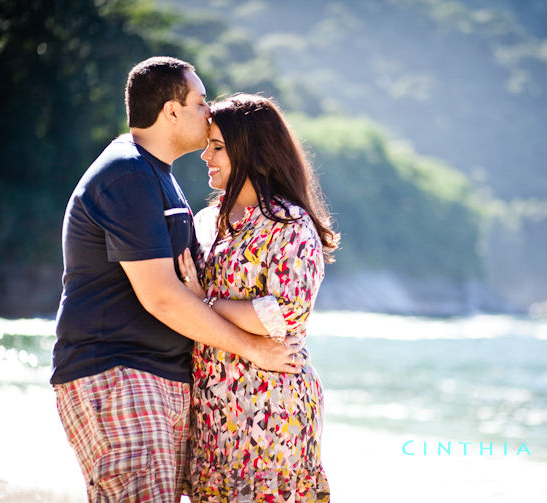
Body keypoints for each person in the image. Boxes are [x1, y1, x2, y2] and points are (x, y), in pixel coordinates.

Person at [51, 58, 304, 503]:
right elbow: (163, 298)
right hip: (118, 371)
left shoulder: (157, 176)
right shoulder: (127, 173)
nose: (208, 112)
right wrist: (253, 348)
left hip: (158, 375)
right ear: (171, 111)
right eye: (200, 101)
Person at [177, 93, 338, 502]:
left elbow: (281, 313)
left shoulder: (289, 223)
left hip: (271, 405)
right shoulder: (206, 222)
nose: (204, 156)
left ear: (249, 150)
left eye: (217, 147)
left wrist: (206, 303)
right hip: (212, 405)